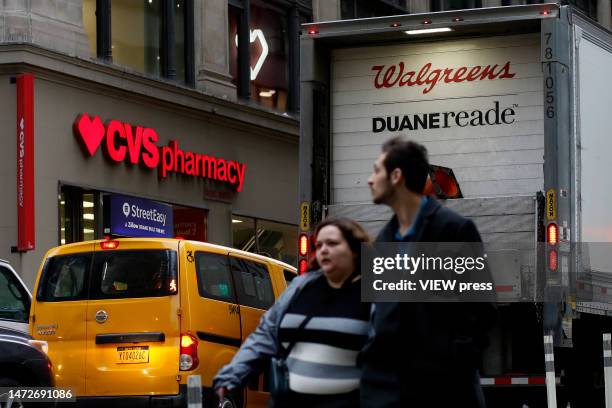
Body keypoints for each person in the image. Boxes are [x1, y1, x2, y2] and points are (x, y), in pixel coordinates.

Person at [360, 136, 497, 408]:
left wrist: (454, 359)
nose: (369, 179)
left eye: (376, 170)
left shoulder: (452, 230)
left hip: (445, 390)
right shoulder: (384, 241)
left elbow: (482, 308)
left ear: (396, 176)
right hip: (392, 392)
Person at [213, 218, 372, 408]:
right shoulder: (301, 286)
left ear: (355, 249)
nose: (324, 250)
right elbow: (266, 333)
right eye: (319, 245)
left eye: (332, 243)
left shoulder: (372, 293)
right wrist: (234, 372)